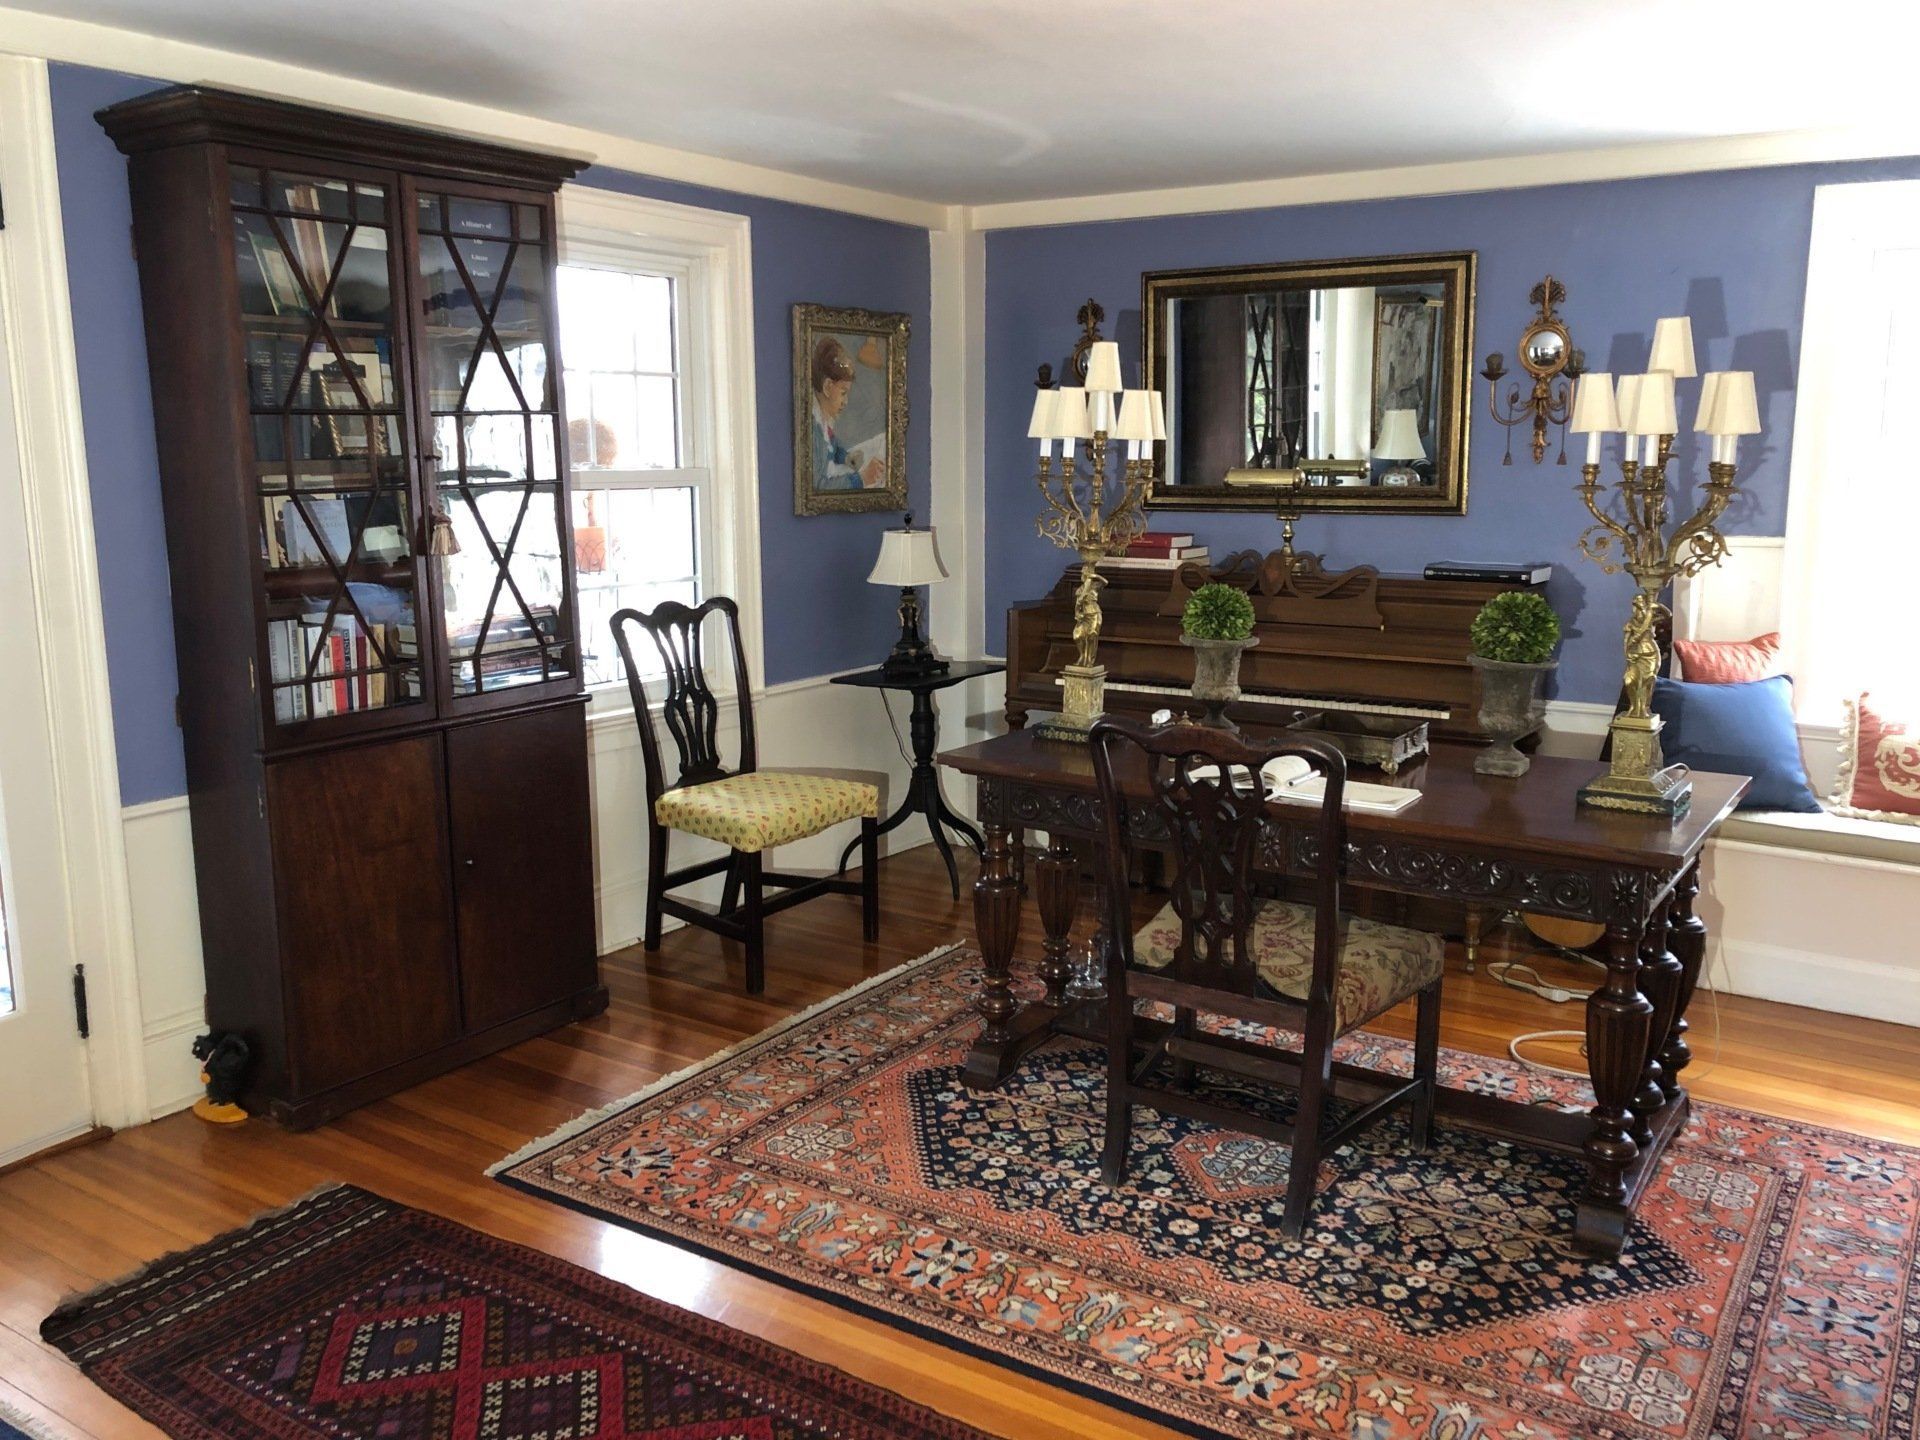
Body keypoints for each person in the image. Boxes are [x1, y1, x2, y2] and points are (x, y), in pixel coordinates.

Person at [810, 336, 885, 491]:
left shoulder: (824, 423)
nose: (846, 402)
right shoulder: (813, 429)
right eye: (843, 393)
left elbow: (833, 448)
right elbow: (819, 487)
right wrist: (862, 479)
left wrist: (846, 457)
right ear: (828, 387)